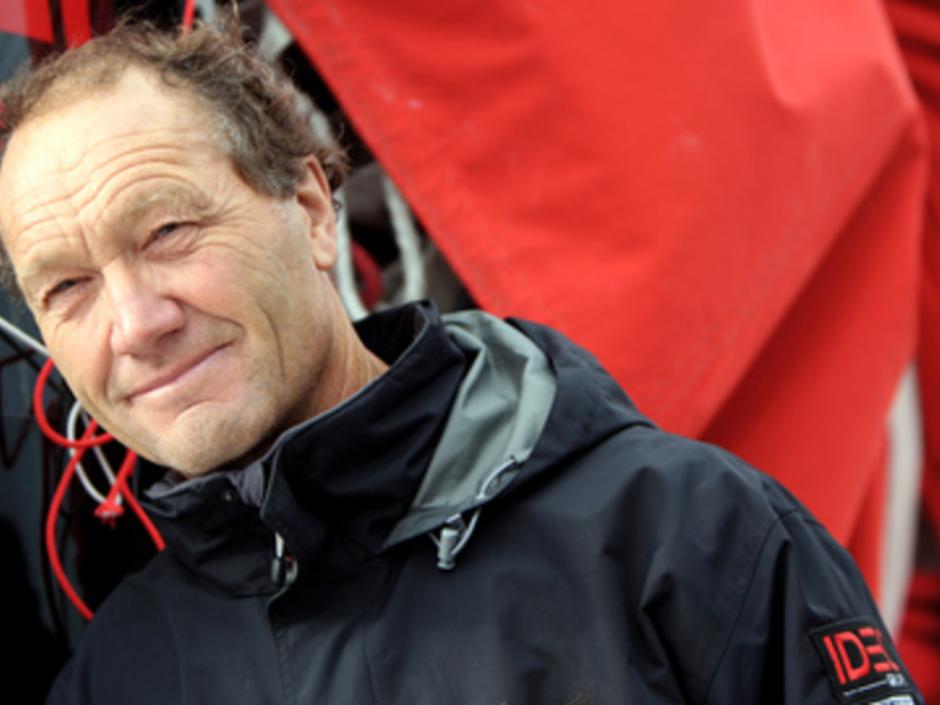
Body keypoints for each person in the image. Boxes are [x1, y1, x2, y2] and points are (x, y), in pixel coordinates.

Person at [0, 16, 924, 705]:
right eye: (68, 287)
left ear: (313, 211)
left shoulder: (686, 533)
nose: (135, 322)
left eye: (167, 230)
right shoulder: (121, 672)